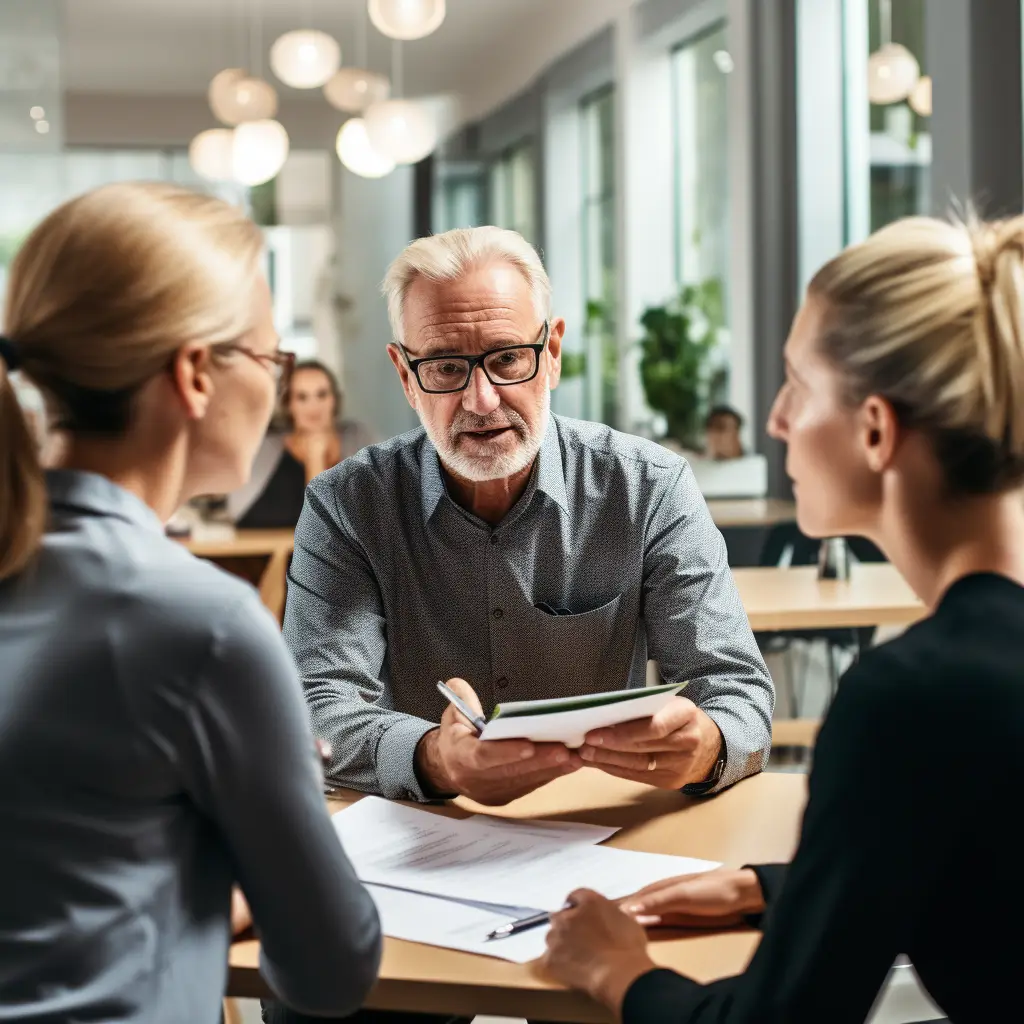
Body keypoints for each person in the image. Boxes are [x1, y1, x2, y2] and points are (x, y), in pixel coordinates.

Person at [539, 213, 1024, 1023]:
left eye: (796, 383)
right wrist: (768, 886)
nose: (773, 420)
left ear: (875, 429)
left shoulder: (914, 697)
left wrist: (620, 973)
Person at [0, 182, 381, 1023]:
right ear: (196, 373)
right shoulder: (201, 622)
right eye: (274, 361)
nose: (281, 394)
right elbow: (330, 971)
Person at [284, 226, 773, 809]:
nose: (482, 400)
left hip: (604, 829)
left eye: (509, 358)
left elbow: (736, 687)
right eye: (444, 368)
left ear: (553, 353)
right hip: (424, 832)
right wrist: (436, 757)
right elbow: (317, 706)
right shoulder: (346, 506)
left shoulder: (647, 487)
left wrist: (708, 746)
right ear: (405, 375)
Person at [229, 359, 374, 529]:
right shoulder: (262, 448)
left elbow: (331, 529)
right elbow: (235, 513)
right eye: (302, 397)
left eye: (321, 395)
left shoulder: (359, 439)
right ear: (289, 405)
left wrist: (316, 457)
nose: (313, 406)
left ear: (334, 399)